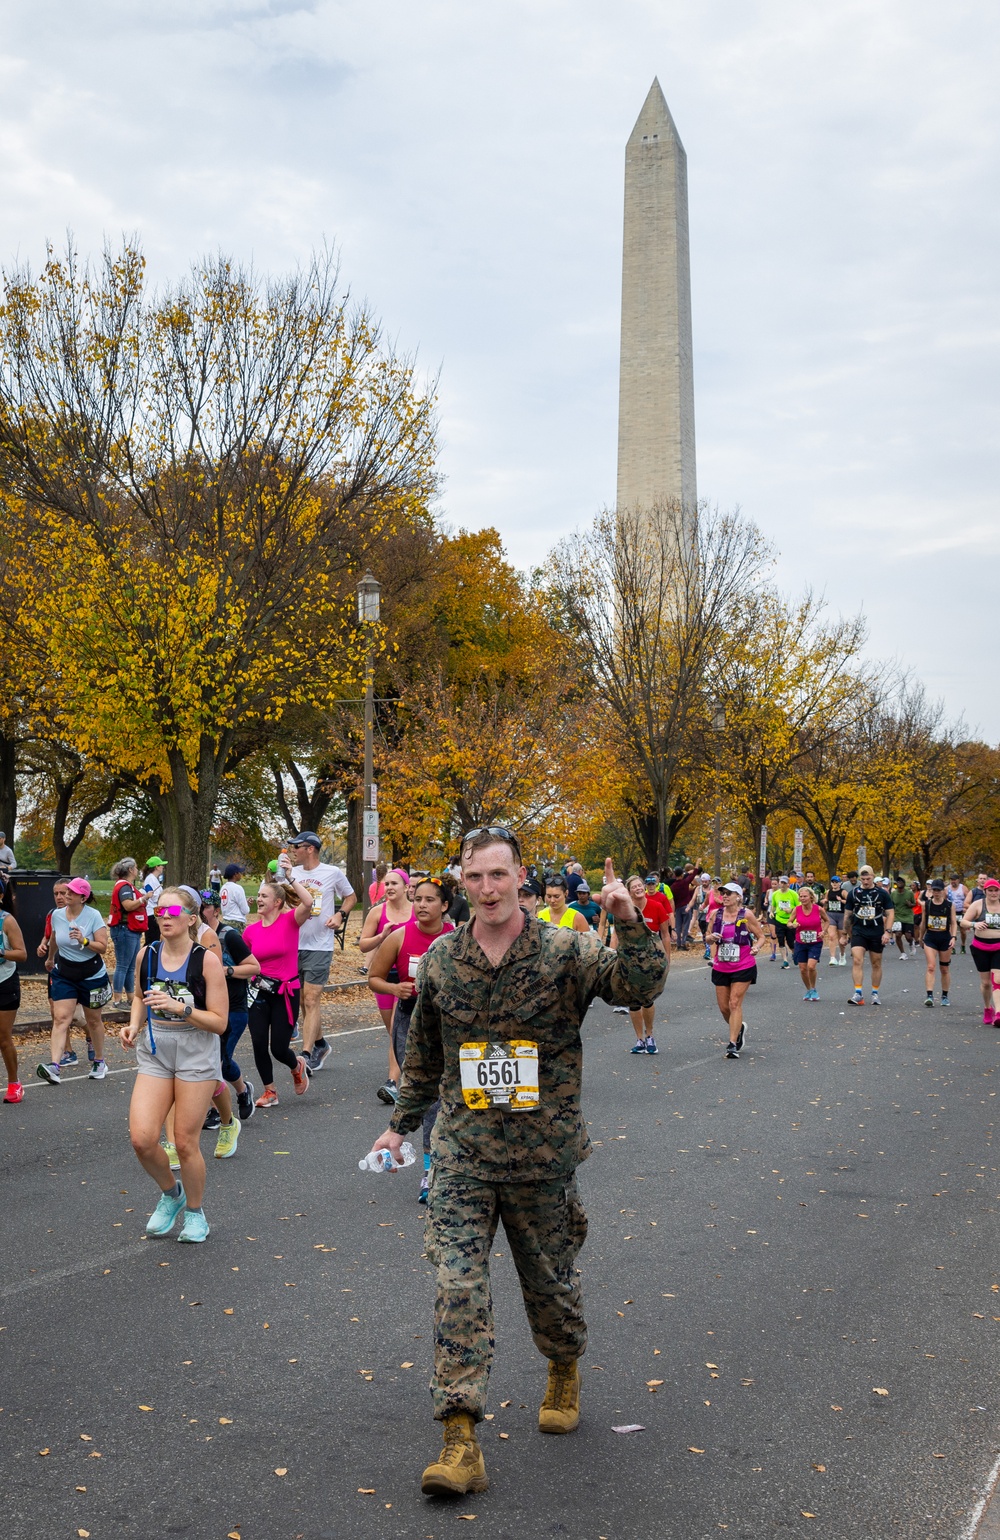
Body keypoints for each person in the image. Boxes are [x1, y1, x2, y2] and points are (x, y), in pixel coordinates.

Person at [367, 830, 667, 1497]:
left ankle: (563, 1363)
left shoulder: (565, 949)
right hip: (463, 1153)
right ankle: (460, 1438)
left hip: (542, 1156)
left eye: (498, 875)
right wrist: (398, 1126)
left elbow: (636, 987)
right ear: (462, 883)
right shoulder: (442, 959)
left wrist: (628, 921)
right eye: (474, 878)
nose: (487, 889)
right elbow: (424, 1055)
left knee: (551, 1287)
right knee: (456, 1287)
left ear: (520, 876)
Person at [120, 887, 230, 1242]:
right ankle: (172, 1194)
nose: (164, 916)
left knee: (184, 1142)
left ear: (191, 918)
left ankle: (196, 1214)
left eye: (172, 911)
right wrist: (133, 1025)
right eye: (159, 910)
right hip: (156, 1049)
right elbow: (140, 997)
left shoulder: (206, 960)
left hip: (196, 1051)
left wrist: (180, 1006)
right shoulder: (147, 955)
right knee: (142, 1139)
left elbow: (219, 1022)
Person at [368, 876, 455, 1203]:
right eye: (417, 898)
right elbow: (374, 978)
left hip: (449, 1021)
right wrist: (395, 988)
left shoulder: (457, 938)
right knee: (425, 1094)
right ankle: (431, 1170)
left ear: (444, 906)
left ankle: (446, 1164)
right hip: (410, 1019)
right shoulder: (400, 936)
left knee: (450, 1093)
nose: (421, 905)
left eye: (430, 899)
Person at [279, 832, 357, 1074]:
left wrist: (339, 915)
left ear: (310, 849)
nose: (293, 851)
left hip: (319, 945)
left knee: (312, 999)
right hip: (294, 943)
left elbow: (351, 897)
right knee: (302, 1000)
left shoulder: (332, 872)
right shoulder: (292, 874)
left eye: (297, 847)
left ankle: (306, 1054)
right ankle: (321, 1043)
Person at [242, 875, 315, 1106]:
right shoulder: (250, 932)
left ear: (277, 902)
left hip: (286, 992)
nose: (259, 899)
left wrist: (291, 877)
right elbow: (246, 962)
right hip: (259, 993)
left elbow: (308, 902)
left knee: (279, 1048)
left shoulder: (290, 921)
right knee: (259, 1043)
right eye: (259, 895)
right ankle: (270, 1092)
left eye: (264, 896)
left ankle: (297, 1065)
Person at [198, 889, 261, 1142]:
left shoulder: (229, 935)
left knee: (220, 1060)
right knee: (210, 1060)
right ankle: (215, 1110)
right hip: (206, 1009)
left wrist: (226, 970)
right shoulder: (193, 937)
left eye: (205, 907)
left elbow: (254, 966)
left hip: (234, 1009)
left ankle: (242, 1091)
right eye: (198, 907)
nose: (201, 911)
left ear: (215, 910)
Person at [37, 878, 111, 1084]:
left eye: (71, 892)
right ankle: (54, 1066)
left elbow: (103, 947)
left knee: (93, 1020)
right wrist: (51, 958)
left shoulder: (93, 916)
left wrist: (84, 940)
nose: (66, 895)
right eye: (65, 891)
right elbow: (54, 938)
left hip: (91, 974)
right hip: (65, 973)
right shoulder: (56, 915)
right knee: (61, 1018)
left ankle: (99, 1060)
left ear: (83, 897)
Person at [357, 868, 413, 1104]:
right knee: (395, 1032)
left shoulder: (416, 911)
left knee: (397, 1029)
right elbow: (363, 945)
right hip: (383, 978)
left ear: (406, 887)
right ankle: (411, 1068)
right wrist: (383, 936)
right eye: (386, 884)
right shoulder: (377, 913)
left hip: (408, 979)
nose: (389, 888)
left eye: (394, 884)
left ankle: (392, 1082)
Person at [708, 882, 765, 1058]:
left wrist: (757, 947)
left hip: (743, 964)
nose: (724, 896)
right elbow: (707, 937)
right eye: (722, 893)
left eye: (728, 893)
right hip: (721, 965)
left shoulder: (746, 915)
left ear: (738, 896)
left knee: (734, 1003)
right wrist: (710, 938)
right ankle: (739, 1028)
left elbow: (761, 937)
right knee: (724, 1008)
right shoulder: (715, 915)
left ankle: (732, 1044)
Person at [616, 875, 672, 1053]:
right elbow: (617, 934)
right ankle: (639, 1039)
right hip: (629, 958)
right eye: (635, 887)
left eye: (641, 885)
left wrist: (667, 958)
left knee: (647, 999)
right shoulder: (625, 910)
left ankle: (650, 1035)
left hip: (652, 959)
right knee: (633, 1000)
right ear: (629, 890)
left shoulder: (656, 906)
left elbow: (665, 934)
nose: (639, 888)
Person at [845, 865, 895, 1007]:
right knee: (857, 960)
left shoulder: (882, 893)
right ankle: (858, 993)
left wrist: (888, 932)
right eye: (863, 879)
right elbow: (848, 915)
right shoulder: (853, 893)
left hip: (876, 931)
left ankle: (875, 993)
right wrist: (844, 934)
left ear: (873, 877)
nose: (865, 881)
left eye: (868, 878)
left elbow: (890, 912)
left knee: (876, 963)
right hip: (859, 930)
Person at [108, 856, 149, 1006]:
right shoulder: (124, 887)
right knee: (123, 965)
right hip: (124, 929)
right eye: (136, 867)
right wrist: (143, 899)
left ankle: (131, 998)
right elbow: (127, 905)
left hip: (131, 929)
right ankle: (117, 1000)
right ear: (131, 870)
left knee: (131, 966)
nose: (138, 870)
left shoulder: (125, 886)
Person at [960, 879, 1000, 1025]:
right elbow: (963, 922)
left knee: (997, 979)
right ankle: (987, 1008)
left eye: (996, 890)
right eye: (990, 890)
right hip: (981, 947)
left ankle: (998, 1013)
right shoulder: (979, 905)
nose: (994, 893)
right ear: (985, 892)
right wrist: (974, 923)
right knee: (986, 983)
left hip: (998, 947)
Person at [0, 898, 27, 1101]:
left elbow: (22, 954)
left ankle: (14, 1082)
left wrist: (1, 952)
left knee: (3, 1038)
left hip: (5, 982)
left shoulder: (7, 921)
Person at [918, 878, 956, 1007]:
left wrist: (953, 937)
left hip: (945, 937)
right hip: (931, 937)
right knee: (931, 966)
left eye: (938, 890)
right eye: (934, 890)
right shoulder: (927, 904)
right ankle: (929, 996)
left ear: (943, 891)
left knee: (944, 969)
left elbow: (953, 923)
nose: (936, 892)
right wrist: (920, 937)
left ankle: (944, 996)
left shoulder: (949, 905)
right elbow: (923, 922)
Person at [789, 887, 828, 1001]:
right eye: (801, 896)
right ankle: (808, 990)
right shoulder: (797, 909)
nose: (803, 898)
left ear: (811, 897)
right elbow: (789, 922)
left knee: (811, 966)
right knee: (802, 968)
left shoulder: (818, 909)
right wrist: (792, 925)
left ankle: (814, 988)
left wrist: (823, 931)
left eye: (805, 896)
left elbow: (827, 921)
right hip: (801, 942)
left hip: (815, 942)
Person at [768, 876, 797, 968]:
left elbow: (799, 907)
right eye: (781, 883)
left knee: (790, 942)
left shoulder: (793, 894)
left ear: (788, 884)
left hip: (790, 921)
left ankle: (794, 954)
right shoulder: (775, 894)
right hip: (779, 920)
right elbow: (773, 905)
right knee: (780, 940)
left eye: (785, 883)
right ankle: (785, 961)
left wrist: (791, 910)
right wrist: (772, 912)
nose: (783, 885)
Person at [142, 857, 169, 945]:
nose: (163, 867)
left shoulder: (153, 878)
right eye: (161, 865)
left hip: (156, 911)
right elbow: (153, 897)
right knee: (151, 941)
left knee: (156, 938)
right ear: (156, 867)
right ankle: (146, 957)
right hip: (152, 913)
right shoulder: (150, 879)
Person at [890, 877, 917, 959]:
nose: (899, 883)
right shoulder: (893, 894)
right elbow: (891, 905)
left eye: (901, 882)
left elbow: (914, 904)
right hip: (898, 916)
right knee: (898, 935)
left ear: (904, 884)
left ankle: (911, 943)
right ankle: (903, 953)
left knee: (908, 936)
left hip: (908, 917)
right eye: (898, 882)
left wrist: (910, 905)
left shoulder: (909, 893)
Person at [824, 877, 849, 966]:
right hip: (831, 914)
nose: (834, 884)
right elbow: (826, 902)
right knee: (831, 936)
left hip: (841, 915)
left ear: (839, 883)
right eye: (833, 882)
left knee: (841, 938)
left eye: (836, 882)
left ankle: (842, 955)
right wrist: (824, 902)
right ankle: (832, 958)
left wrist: (841, 900)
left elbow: (850, 902)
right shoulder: (828, 892)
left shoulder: (843, 892)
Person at [219, 863, 250, 931]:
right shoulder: (238, 888)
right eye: (239, 873)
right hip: (237, 923)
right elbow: (245, 910)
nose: (240, 874)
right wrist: (247, 906)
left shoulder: (223, 888)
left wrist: (245, 903)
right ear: (235, 874)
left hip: (225, 921)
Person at [948, 875, 969, 952]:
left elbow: (969, 899)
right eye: (951, 880)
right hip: (951, 912)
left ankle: (963, 945)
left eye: (954, 880)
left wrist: (966, 908)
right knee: (951, 930)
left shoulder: (963, 888)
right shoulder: (947, 889)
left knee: (963, 931)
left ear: (958, 880)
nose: (953, 881)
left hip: (961, 912)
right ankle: (952, 947)